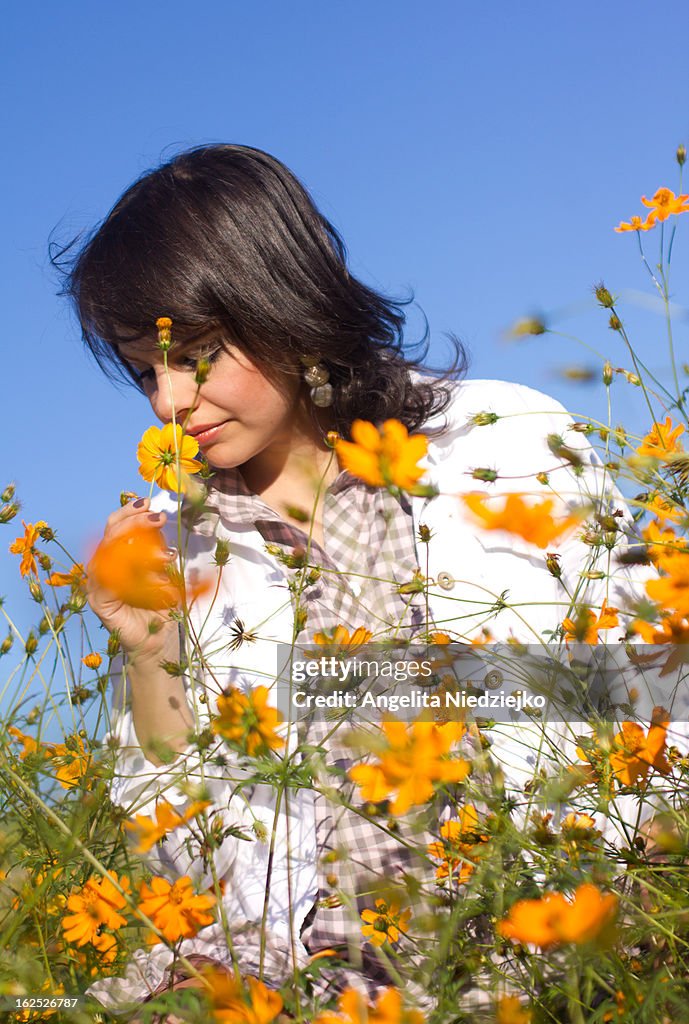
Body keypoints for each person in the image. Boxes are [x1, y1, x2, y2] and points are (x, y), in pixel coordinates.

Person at [54, 144, 668, 1018]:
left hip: (534, 932)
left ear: (283, 300)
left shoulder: (499, 445)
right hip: (294, 982)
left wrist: (354, 679)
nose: (167, 402)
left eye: (195, 354)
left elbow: (653, 688)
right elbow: (177, 867)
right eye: (145, 370)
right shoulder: (176, 547)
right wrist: (152, 656)